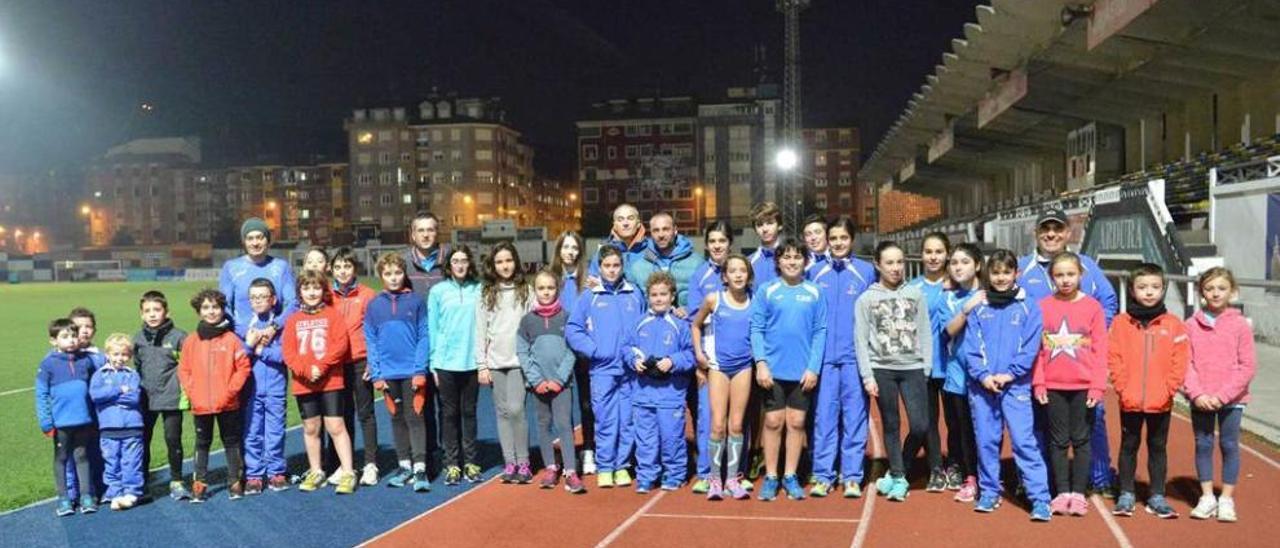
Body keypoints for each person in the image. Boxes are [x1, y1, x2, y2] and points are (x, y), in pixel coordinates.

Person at [1018, 207, 1118, 496]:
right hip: (1039, 365)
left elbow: (1108, 302)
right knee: (1038, 425)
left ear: (1067, 233)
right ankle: (1039, 481)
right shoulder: (1023, 268)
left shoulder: (1086, 265)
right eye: (1045, 229)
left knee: (1093, 422)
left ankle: (1099, 479)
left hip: (1080, 369)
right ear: (1036, 232)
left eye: (1057, 229)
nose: (1051, 234)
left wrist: (1089, 336)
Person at [962, 249, 1051, 521]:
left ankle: (1039, 499)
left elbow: (1030, 345)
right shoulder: (979, 305)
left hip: (1015, 386)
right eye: (996, 272)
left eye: (1006, 272)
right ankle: (989, 491)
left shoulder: (1028, 306)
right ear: (988, 274)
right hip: (983, 386)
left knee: (1024, 442)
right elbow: (971, 346)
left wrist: (1011, 374)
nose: (1000, 278)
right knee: (987, 442)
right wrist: (984, 375)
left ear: (1016, 274)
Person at [1108, 263, 1188, 518]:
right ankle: (1127, 493)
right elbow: (1114, 357)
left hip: (1160, 401)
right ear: (1132, 290)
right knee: (1128, 445)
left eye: (1155, 287)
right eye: (1143, 287)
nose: (1149, 292)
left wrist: (1169, 389)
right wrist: (1122, 387)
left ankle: (1157, 495)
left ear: (1163, 289)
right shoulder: (1121, 323)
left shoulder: (1173, 324)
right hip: (1130, 400)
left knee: (1157, 447)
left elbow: (1180, 360)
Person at [1032, 252, 1108, 516]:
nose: (1065, 280)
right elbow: (1037, 351)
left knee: (1081, 439)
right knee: (1058, 440)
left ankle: (1078, 492)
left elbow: (1100, 350)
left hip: (1083, 387)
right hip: (1053, 386)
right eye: (1059, 275)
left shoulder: (1093, 308)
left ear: (1081, 275)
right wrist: (1039, 383)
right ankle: (1062, 491)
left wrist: (1097, 386)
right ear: (1052, 277)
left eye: (1070, 274)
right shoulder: (1042, 305)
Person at [751, 237, 826, 502]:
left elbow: (820, 331)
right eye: (786, 257)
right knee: (773, 422)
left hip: (802, 372)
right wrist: (761, 363)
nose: (792, 262)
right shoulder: (767, 291)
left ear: (806, 262)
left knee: (796, 423)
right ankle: (771, 476)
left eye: (797, 257)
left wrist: (813, 368)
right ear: (778, 261)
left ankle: (790, 475)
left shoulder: (815, 292)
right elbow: (756, 328)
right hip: (772, 371)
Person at [857, 240, 932, 502]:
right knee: (891, 424)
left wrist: (927, 366)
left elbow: (925, 330)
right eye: (889, 262)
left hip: (913, 368)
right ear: (878, 264)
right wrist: (868, 375)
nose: (896, 267)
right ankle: (899, 477)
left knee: (921, 425)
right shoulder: (867, 299)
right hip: (882, 369)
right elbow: (861, 339)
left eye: (900, 262)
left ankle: (897, 468)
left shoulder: (915, 294)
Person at [567, 245, 646, 489]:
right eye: (607, 266)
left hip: (631, 370)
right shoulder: (590, 296)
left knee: (628, 420)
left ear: (622, 267)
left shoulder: (634, 294)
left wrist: (639, 354)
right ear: (599, 268)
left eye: (616, 266)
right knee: (605, 419)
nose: (612, 271)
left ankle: (622, 466)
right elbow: (573, 329)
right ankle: (605, 466)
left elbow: (644, 325)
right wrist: (593, 350)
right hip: (602, 370)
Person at [809, 216, 876, 499]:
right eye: (833, 238)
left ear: (853, 239)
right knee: (824, 417)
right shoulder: (814, 273)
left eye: (843, 238)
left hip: (854, 358)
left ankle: (851, 475)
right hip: (824, 359)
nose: (837, 243)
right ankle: (823, 474)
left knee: (855, 417)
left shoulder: (866, 272)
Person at [1184, 267, 1256, 522]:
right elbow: (1185, 363)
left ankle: (1226, 498)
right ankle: (1206, 497)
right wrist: (1197, 394)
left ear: (1232, 292)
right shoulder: (1191, 325)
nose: (1215, 293)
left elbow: (1247, 366)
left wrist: (1222, 396)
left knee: (1228, 445)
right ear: (1201, 292)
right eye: (1209, 288)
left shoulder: (1240, 325)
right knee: (1203, 444)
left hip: (1231, 400)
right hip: (1200, 399)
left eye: (1221, 288)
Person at [285, 270, 357, 495]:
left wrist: (321, 367)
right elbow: (288, 352)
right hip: (304, 382)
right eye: (307, 288)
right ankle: (316, 470)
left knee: (336, 426)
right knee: (311, 427)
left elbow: (340, 345)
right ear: (300, 292)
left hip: (331, 381)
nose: (312, 292)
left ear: (323, 290)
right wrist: (306, 370)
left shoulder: (332, 315)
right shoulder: (294, 320)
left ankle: (347, 471)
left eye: (316, 288)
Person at [687, 221, 745, 496]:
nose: (717, 245)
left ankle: (736, 473)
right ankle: (706, 474)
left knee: (737, 420)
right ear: (707, 244)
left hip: (738, 360)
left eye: (722, 240)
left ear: (729, 243)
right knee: (710, 419)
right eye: (712, 241)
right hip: (710, 362)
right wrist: (699, 362)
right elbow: (693, 321)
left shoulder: (740, 273)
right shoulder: (699, 276)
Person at [365, 252, 432, 492]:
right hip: (387, 374)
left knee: (415, 417)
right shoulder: (374, 305)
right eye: (388, 274)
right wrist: (377, 374)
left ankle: (420, 467)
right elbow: (370, 341)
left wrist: (419, 369)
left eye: (397, 273)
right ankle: (404, 465)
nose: (393, 278)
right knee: (396, 418)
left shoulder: (415, 301)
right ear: (381, 276)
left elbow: (424, 335)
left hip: (412, 372)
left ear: (404, 274)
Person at [178, 288, 252, 503]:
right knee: (202, 443)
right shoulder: (191, 341)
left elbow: (243, 368)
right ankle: (199, 484)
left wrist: (230, 392)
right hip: (201, 404)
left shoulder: (231, 339)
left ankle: (235, 482)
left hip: (227, 403)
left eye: (216, 307)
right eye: (206, 308)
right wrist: (193, 391)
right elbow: (184, 369)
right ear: (199, 311)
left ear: (222, 310)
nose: (211, 312)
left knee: (231, 442)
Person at [626, 272, 696, 493]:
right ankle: (646, 475)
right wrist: (634, 360)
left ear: (672, 296)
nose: (658, 299)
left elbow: (692, 354)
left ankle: (674, 473)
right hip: (643, 394)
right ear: (648, 296)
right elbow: (626, 348)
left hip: (670, 395)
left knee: (671, 437)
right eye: (654, 294)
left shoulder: (680, 325)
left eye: (663, 294)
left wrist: (672, 361)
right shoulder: (639, 323)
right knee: (645, 439)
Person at [518, 268, 587, 493]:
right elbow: (523, 352)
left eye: (550, 288)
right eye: (541, 288)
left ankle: (570, 471)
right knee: (543, 425)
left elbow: (571, 351)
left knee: (564, 425)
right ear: (534, 290)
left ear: (557, 289)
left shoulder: (567, 318)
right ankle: (550, 467)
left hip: (562, 385)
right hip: (538, 385)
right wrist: (537, 380)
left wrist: (559, 379)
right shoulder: (527, 321)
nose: (546, 292)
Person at [476, 241, 535, 484]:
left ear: (516, 262)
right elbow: (481, 330)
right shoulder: (486, 293)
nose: (505, 266)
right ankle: (509, 462)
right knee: (502, 412)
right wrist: (482, 364)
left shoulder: (526, 291)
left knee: (516, 409)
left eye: (508, 260)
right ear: (493, 265)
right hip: (496, 361)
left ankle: (524, 461)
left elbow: (532, 326)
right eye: (499, 262)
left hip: (519, 361)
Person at [930, 244, 985, 502]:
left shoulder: (990, 294)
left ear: (978, 265)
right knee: (962, 429)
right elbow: (948, 331)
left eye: (965, 262)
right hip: (957, 376)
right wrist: (967, 309)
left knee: (987, 429)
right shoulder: (948, 298)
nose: (958, 267)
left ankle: (991, 476)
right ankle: (970, 477)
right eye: (954, 263)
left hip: (985, 378)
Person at [431, 245, 484, 486]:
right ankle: (451, 463)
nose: (460, 265)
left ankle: (471, 461)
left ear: (469, 264)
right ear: (449, 265)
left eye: (464, 260)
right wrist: (433, 363)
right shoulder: (438, 291)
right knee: (449, 414)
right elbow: (433, 327)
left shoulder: (480, 290)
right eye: (455, 261)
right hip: (445, 363)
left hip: (472, 361)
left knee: (469, 413)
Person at [399, 211, 449, 466]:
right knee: (421, 399)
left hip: (445, 342)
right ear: (412, 234)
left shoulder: (450, 259)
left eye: (431, 229)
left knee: (447, 402)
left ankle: (449, 451)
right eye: (421, 230)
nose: (426, 235)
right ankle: (427, 452)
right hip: (416, 343)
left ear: (437, 232)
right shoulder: (403, 263)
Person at [35, 318, 98, 516]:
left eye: (73, 336)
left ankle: (86, 496)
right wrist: (46, 422)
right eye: (65, 337)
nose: (71, 340)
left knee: (81, 456)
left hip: (83, 421)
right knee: (61, 459)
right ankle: (64, 498)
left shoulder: (85, 361)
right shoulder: (48, 364)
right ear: (53, 341)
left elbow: (93, 390)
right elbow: (41, 394)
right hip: (61, 423)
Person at [132, 290, 190, 501]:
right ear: (141, 314)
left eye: (157, 310)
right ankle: (142, 482)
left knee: (172, 439)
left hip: (172, 398)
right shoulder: (137, 339)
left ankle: (177, 481)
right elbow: (137, 366)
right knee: (142, 440)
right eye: (147, 311)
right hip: (146, 399)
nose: (153, 314)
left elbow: (187, 366)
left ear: (166, 311)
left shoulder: (179, 337)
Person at [330, 247, 380, 486]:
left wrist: (373, 359)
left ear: (355, 268)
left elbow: (376, 330)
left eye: (347, 266)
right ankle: (346, 464)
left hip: (361, 361)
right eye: (338, 267)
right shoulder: (327, 296)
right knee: (342, 414)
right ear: (331, 269)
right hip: (337, 365)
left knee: (366, 413)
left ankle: (371, 463)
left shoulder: (368, 295)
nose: (342, 271)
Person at [908, 232, 952, 492]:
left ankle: (958, 466)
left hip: (953, 365)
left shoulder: (957, 284)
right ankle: (935, 468)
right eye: (928, 252)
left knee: (956, 421)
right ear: (922, 255)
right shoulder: (912, 288)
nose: (933, 257)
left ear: (947, 254)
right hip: (923, 365)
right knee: (928, 421)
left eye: (938, 252)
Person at [551, 230, 597, 475]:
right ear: (558, 250)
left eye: (574, 248)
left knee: (587, 404)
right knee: (562, 406)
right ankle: (569, 454)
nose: (570, 252)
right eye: (565, 247)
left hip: (583, 353)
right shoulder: (551, 279)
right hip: (559, 353)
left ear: (580, 251)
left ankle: (588, 450)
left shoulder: (590, 279)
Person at [238, 279, 290, 495]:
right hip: (251, 390)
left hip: (276, 388)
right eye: (254, 297)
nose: (258, 301)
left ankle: (276, 472)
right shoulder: (244, 326)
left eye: (263, 296)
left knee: (275, 431)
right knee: (252, 432)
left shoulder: (280, 326)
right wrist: (250, 346)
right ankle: (254, 475)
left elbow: (286, 355)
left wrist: (262, 352)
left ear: (273, 299)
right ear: (249, 301)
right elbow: (239, 356)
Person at [90, 334, 145, 511]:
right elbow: (96, 396)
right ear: (107, 354)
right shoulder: (99, 375)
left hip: (132, 427)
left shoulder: (132, 375)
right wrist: (118, 390)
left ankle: (131, 492)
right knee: (112, 462)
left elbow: (134, 398)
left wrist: (111, 398)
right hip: (108, 428)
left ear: (129, 356)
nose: (119, 358)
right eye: (115, 354)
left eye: (123, 355)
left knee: (132, 462)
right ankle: (115, 492)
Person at [219, 218, 296, 332]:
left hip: (275, 338)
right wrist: (243, 332)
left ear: (268, 240)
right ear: (244, 242)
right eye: (250, 238)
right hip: (243, 340)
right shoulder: (231, 268)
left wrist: (275, 327)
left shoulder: (281, 267)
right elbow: (224, 306)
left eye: (260, 237)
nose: (255, 243)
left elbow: (292, 303)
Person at [626, 212, 705, 313]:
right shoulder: (638, 267)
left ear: (675, 230)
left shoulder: (696, 263)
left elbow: (707, 298)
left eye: (665, 229)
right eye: (656, 230)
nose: (661, 235)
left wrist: (690, 310)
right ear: (651, 233)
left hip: (687, 324)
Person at [588, 203, 648, 278]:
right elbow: (592, 284)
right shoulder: (603, 252)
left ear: (638, 223)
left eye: (630, 218)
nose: (625, 223)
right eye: (620, 219)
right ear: (615, 225)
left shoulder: (651, 249)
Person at [747, 202, 783, 289]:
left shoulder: (792, 259)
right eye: (759, 225)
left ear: (780, 225)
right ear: (755, 229)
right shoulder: (748, 262)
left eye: (770, 223)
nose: (765, 229)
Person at [800, 214, 830, 280]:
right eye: (808, 234)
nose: (813, 238)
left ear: (827, 234)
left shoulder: (839, 261)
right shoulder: (800, 263)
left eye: (818, 232)